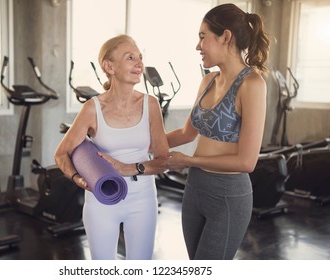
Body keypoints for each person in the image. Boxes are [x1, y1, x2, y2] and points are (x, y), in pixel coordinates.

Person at [165, 3, 270, 260]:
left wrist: (188, 160)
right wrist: (143, 142)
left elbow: (247, 162)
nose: (197, 46)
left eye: (203, 37)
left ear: (225, 36)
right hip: (195, 189)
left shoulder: (252, 84)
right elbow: (186, 133)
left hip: (228, 196)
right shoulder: (208, 80)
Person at [54, 34, 169, 260]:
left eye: (140, 57)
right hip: (102, 199)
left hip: (143, 198)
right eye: (130, 58)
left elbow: (164, 160)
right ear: (109, 66)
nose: (139, 64)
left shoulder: (151, 104)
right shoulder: (92, 108)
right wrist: (78, 179)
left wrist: (130, 168)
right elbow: (61, 154)